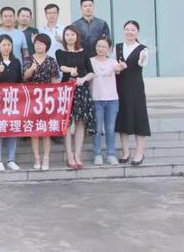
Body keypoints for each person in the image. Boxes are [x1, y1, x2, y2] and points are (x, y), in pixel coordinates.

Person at [56, 25, 95, 170]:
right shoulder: (60, 52)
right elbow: (61, 67)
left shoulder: (84, 52)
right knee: (67, 122)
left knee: (80, 123)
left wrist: (83, 79)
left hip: (82, 90)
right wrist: (71, 70)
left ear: (77, 36)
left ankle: (78, 155)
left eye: (73, 34)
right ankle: (69, 154)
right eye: (67, 35)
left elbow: (91, 72)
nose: (70, 37)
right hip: (66, 90)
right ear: (64, 37)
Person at [115, 20, 151, 166]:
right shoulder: (118, 47)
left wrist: (141, 58)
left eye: (133, 30)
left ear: (137, 32)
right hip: (120, 87)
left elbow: (142, 63)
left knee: (138, 118)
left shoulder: (142, 49)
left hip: (136, 88)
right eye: (127, 29)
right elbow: (114, 67)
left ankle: (139, 153)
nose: (129, 32)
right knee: (122, 117)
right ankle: (125, 152)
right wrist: (118, 68)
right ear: (123, 31)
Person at [23, 33, 60, 170]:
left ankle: (46, 158)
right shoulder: (28, 59)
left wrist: (54, 99)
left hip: (47, 99)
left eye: (42, 44)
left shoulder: (51, 60)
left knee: (46, 130)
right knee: (34, 130)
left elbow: (54, 80)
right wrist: (31, 69)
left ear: (47, 46)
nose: (39, 46)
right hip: (32, 99)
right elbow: (24, 77)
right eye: (37, 43)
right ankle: (37, 159)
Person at [0, 35, 23, 171]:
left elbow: (19, 81)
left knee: (12, 128)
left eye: (9, 45)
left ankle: (11, 159)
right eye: (4, 45)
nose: (7, 47)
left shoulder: (16, 62)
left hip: (13, 100)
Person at [91, 37, 126, 166]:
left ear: (109, 49)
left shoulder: (112, 61)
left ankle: (111, 154)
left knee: (110, 128)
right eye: (99, 46)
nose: (101, 49)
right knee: (97, 129)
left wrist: (121, 66)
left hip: (112, 100)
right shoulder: (90, 61)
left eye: (104, 47)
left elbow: (117, 69)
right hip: (96, 99)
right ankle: (97, 154)